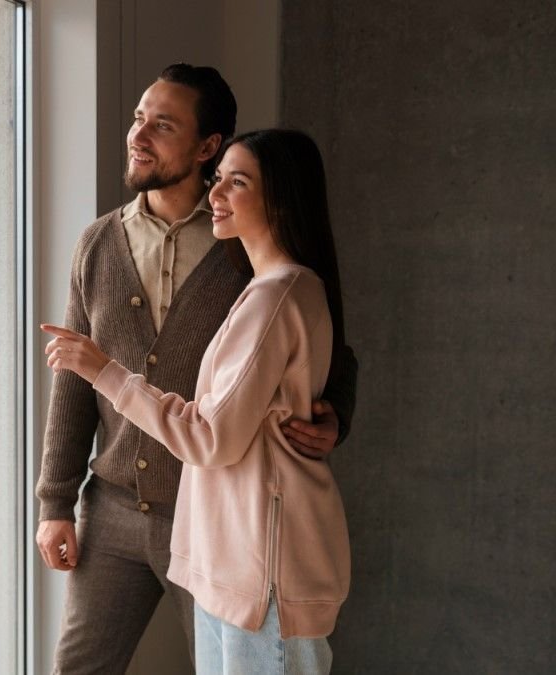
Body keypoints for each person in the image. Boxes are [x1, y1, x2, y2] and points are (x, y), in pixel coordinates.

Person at [34, 64, 358, 674]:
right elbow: (74, 381)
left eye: (162, 124)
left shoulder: (250, 249)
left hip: (215, 514)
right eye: (138, 118)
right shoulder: (98, 245)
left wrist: (334, 410)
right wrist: (55, 500)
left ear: (206, 146)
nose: (139, 135)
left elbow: (324, 347)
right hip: (114, 510)